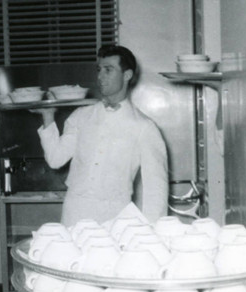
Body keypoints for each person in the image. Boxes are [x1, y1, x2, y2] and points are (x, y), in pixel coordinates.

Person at [32, 45, 168, 226]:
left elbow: (156, 188)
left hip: (115, 216)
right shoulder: (81, 116)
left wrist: (152, 231)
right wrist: (48, 116)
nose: (100, 76)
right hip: (75, 212)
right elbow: (56, 159)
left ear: (127, 75)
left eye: (108, 70)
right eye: (99, 70)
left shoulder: (144, 127)